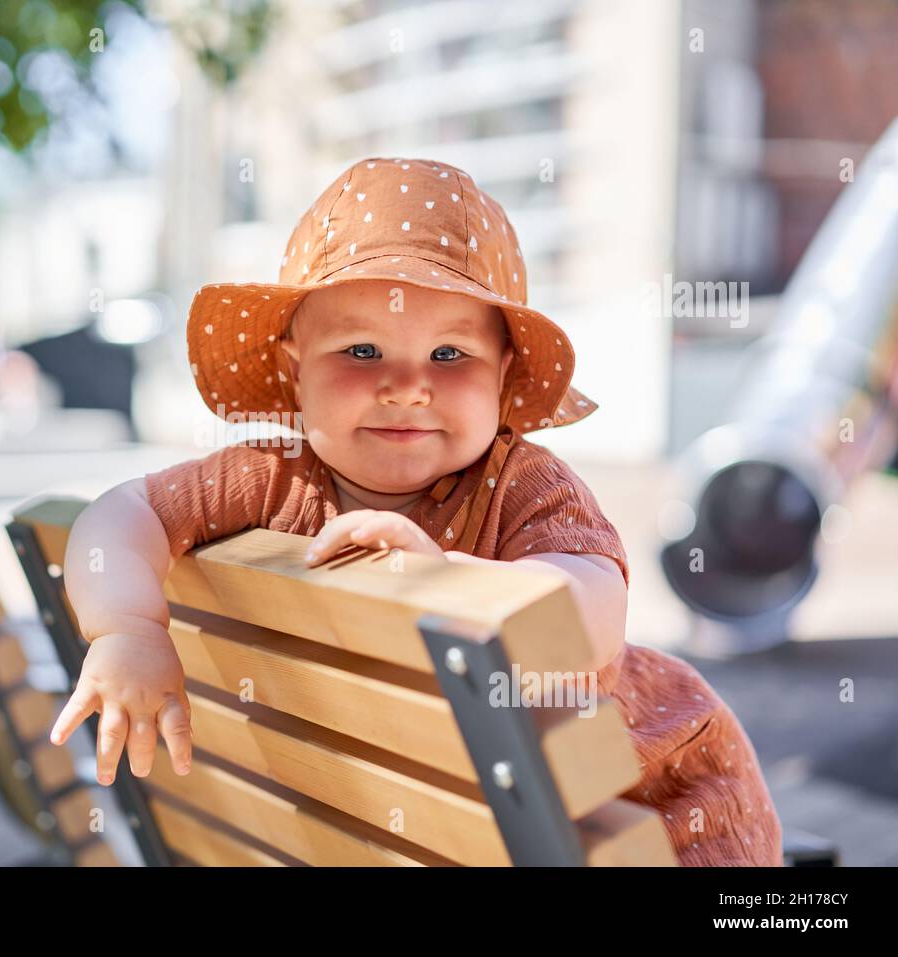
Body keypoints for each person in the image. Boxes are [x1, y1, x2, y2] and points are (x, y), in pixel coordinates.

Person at [48, 157, 783, 866]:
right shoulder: (267, 477)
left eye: (450, 354)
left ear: (503, 377)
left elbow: (592, 613)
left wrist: (448, 585)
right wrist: (128, 629)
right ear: (290, 370)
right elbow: (123, 517)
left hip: (662, 800)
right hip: (483, 823)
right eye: (363, 349)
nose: (406, 386)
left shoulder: (523, 483)